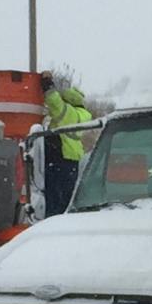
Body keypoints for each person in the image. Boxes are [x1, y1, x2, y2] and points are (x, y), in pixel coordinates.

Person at [40, 75, 93, 215]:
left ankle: (53, 223)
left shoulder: (70, 113)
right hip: (70, 159)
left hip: (60, 159)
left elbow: (54, 101)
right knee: (67, 198)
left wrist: (48, 84)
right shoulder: (83, 115)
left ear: (69, 102)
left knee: (55, 199)